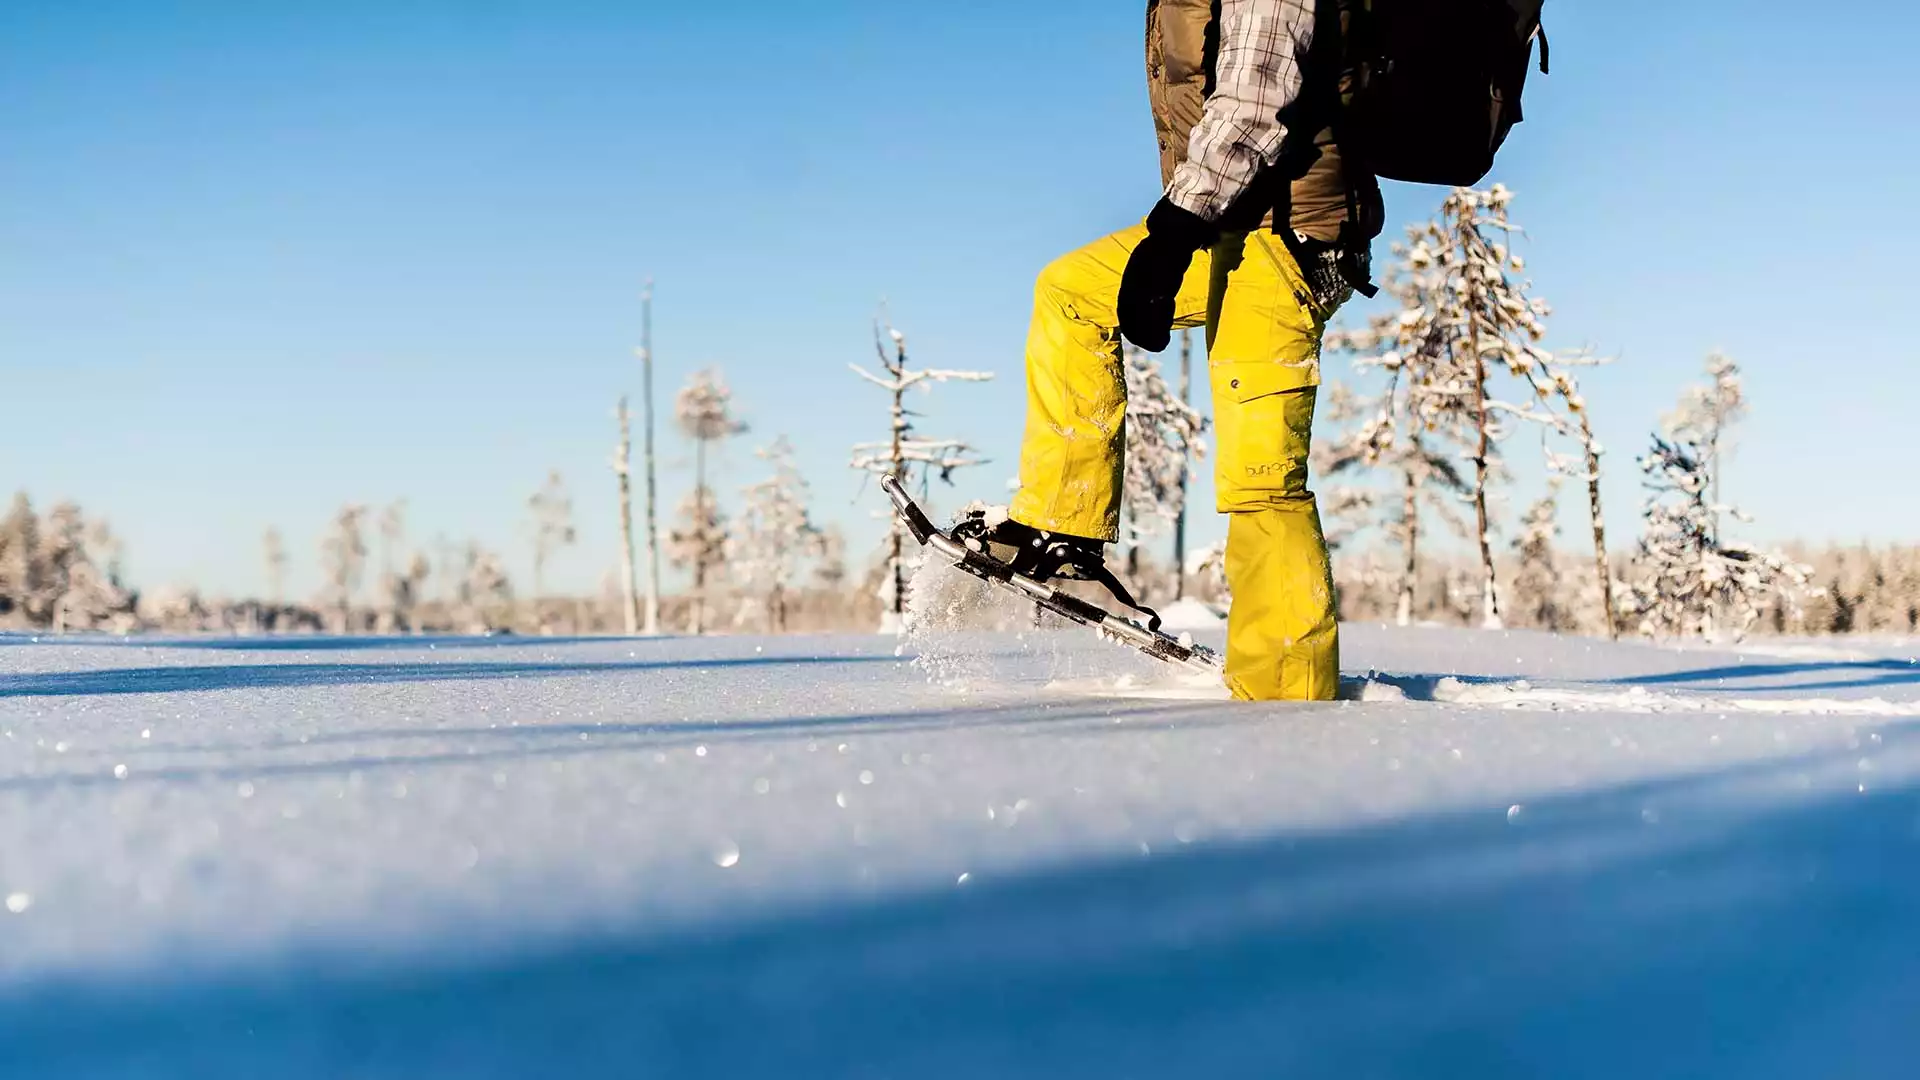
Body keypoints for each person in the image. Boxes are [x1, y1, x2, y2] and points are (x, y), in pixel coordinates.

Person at [961, 0, 1381, 701]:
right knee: (1073, 290)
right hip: (1231, 222)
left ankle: (1287, 699)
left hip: (1290, 235)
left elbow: (1254, 103)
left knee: (1260, 475)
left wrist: (1175, 232)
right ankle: (1064, 536)